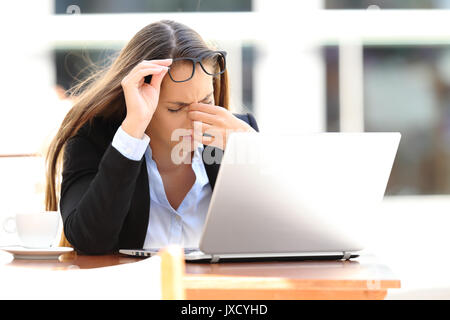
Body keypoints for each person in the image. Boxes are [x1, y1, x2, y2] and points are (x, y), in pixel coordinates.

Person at [45, 19, 259, 254]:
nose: (196, 120)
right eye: (176, 108)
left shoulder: (237, 134)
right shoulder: (92, 139)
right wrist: (132, 132)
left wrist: (255, 150)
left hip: (222, 289)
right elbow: (90, 240)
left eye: (206, 101)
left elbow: (276, 232)